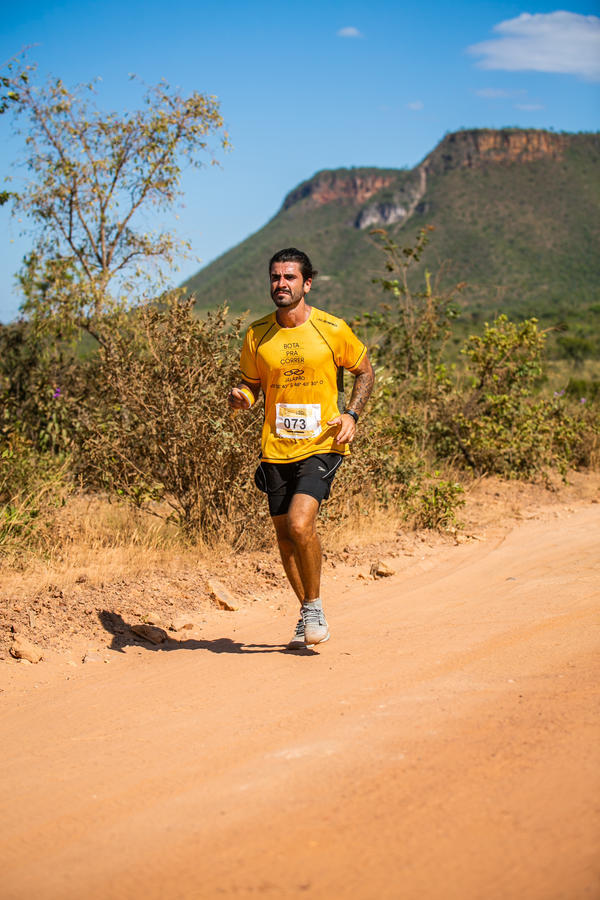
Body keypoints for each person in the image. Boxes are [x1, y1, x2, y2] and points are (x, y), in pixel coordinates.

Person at [228, 248, 374, 649]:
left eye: (289, 277)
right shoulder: (257, 334)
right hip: (275, 448)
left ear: (306, 284)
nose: (281, 284)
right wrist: (242, 397)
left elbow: (364, 371)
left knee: (298, 523)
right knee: (284, 538)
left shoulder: (331, 328)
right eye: (275, 277)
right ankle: (310, 610)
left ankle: (312, 610)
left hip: (322, 443)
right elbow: (251, 385)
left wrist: (352, 415)